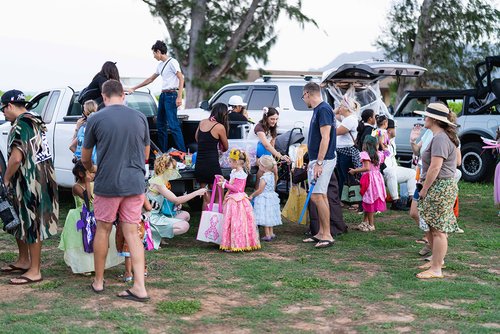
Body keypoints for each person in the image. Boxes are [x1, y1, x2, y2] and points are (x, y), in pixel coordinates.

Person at [82, 79, 150, 302]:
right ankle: (139, 286)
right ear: (123, 95)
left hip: (108, 183)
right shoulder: (140, 117)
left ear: (103, 96)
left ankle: (99, 282)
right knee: (132, 233)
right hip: (135, 183)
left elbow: (85, 157)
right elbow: (147, 153)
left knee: (103, 230)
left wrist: (92, 168)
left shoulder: (95, 118)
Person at [0, 90, 59, 285]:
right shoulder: (35, 120)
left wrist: (6, 180)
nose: (3, 114)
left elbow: (16, 158)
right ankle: (24, 260)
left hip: (29, 181)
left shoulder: (22, 124)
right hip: (42, 177)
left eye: (3, 109)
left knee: (31, 222)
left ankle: (34, 270)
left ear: (9, 105)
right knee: (20, 219)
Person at [413, 102, 460, 279]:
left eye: (426, 116)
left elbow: (435, 168)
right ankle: (435, 263)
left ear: (433, 119)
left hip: (439, 186)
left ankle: (437, 268)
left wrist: (424, 189)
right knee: (435, 228)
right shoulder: (441, 136)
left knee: (438, 230)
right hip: (441, 186)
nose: (424, 118)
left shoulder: (440, 138)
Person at [58, 161, 123, 275]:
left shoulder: (93, 184)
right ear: (81, 174)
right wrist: (88, 182)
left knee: (98, 239)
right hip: (82, 217)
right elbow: (87, 199)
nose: (93, 175)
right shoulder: (76, 187)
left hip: (95, 215)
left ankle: (97, 263)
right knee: (84, 241)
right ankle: (84, 265)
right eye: (90, 173)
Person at [127, 40, 186, 152]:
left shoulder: (173, 62)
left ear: (158, 51)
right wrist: (134, 88)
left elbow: (181, 78)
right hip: (163, 95)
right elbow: (150, 79)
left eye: (154, 53)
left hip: (171, 95)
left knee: (173, 125)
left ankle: (182, 153)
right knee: (160, 125)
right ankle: (162, 153)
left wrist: (179, 97)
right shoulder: (160, 65)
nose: (154, 56)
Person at [301, 82, 336, 248]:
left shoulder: (323, 109)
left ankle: (327, 235)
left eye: (303, 96)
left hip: (324, 159)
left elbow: (326, 137)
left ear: (307, 93)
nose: (304, 100)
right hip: (318, 159)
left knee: (317, 196)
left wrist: (319, 163)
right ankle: (322, 232)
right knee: (320, 195)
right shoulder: (319, 110)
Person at [147, 154, 207, 249]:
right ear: (163, 168)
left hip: (158, 213)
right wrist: (196, 193)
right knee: (184, 226)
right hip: (151, 218)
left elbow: (168, 200)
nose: (172, 172)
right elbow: (175, 199)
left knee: (185, 215)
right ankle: (151, 233)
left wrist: (176, 205)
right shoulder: (158, 182)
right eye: (171, 169)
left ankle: (159, 234)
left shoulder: (160, 180)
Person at [218, 149, 261, 252]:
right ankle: (231, 243)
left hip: (237, 200)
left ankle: (237, 244)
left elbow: (237, 189)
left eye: (231, 161)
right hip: (232, 199)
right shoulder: (234, 172)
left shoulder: (241, 174)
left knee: (237, 222)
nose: (229, 163)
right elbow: (233, 183)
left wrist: (224, 185)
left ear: (236, 162)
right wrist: (225, 181)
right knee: (231, 222)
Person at [348, 136, 388, 232]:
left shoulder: (365, 154)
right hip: (377, 179)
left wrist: (354, 170)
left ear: (365, 145)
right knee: (369, 200)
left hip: (369, 179)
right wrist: (383, 145)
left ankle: (371, 225)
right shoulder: (379, 154)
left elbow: (367, 168)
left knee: (369, 200)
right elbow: (387, 153)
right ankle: (365, 222)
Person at [194, 103, 229, 209]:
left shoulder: (202, 122)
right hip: (212, 164)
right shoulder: (219, 127)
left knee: (205, 196)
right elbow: (226, 146)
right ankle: (217, 221)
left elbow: (197, 138)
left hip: (200, 163)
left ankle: (205, 220)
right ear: (223, 114)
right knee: (219, 194)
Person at [116, 197, 152, 282]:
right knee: (138, 248)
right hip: (137, 223)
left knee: (128, 250)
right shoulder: (140, 193)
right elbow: (149, 208)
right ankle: (142, 270)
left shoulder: (120, 194)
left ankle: (128, 273)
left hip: (125, 223)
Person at [383, 119, 416, 211]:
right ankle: (395, 201)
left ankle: (411, 199)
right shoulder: (380, 139)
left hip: (393, 169)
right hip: (382, 171)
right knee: (391, 171)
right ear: (389, 130)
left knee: (412, 173)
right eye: (395, 128)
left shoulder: (392, 141)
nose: (396, 130)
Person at [254, 107, 290, 186]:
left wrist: (274, 158)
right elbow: (266, 145)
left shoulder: (272, 129)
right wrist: (280, 156)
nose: (274, 121)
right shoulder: (259, 127)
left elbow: (272, 145)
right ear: (266, 118)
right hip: (254, 154)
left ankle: (272, 191)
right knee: (264, 165)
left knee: (275, 169)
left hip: (266, 155)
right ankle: (257, 190)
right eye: (272, 119)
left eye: (276, 119)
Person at [248, 155, 282, 242]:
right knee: (270, 215)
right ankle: (271, 233)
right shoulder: (272, 175)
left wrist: (252, 195)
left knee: (266, 216)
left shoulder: (264, 178)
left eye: (259, 165)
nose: (259, 167)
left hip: (264, 198)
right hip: (271, 197)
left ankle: (267, 235)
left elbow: (260, 190)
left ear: (263, 167)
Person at [335, 95, 361, 195]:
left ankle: (352, 199)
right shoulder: (346, 118)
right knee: (342, 176)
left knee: (347, 177)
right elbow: (333, 114)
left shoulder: (350, 119)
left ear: (346, 108)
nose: (339, 108)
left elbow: (337, 132)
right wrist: (340, 106)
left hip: (347, 152)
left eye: (341, 106)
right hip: (342, 151)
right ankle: (344, 198)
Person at [70, 99, 98, 164]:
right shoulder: (100, 125)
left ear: (84, 113)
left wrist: (77, 128)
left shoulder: (83, 127)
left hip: (84, 164)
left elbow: (72, 146)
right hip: (96, 164)